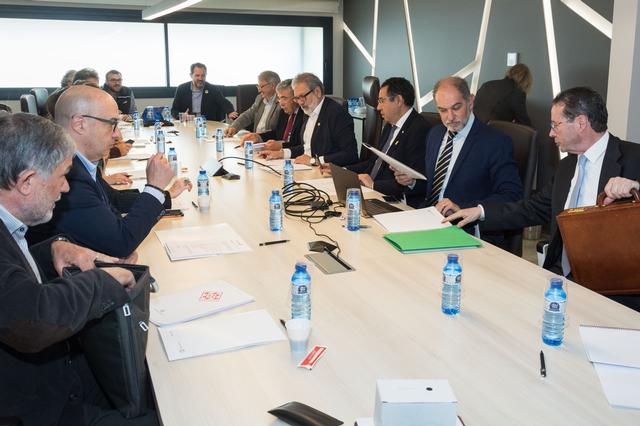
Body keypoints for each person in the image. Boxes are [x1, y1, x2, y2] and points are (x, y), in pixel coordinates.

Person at [0, 113, 158, 425]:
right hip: (43, 409)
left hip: (61, 378)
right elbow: (35, 319)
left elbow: (11, 281)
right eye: (62, 176)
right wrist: (103, 280)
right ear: (27, 182)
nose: (65, 188)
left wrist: (54, 249)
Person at [445, 87, 640, 308]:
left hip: (614, 291)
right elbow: (533, 208)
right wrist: (480, 211)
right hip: (561, 278)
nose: (551, 133)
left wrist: (637, 187)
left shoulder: (633, 159)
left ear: (581, 123)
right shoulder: (567, 166)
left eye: (555, 125)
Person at [27, 85, 192, 258]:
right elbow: (121, 243)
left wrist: (165, 195)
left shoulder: (80, 162)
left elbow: (113, 199)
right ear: (79, 124)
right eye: (112, 124)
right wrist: (155, 188)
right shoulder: (68, 176)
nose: (118, 135)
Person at [394, 76, 522, 244]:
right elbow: (436, 186)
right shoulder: (435, 134)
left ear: (470, 102)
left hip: (466, 230)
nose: (450, 117)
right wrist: (412, 182)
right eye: (443, 110)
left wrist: (463, 208)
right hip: (429, 220)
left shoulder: (495, 142)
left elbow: (512, 195)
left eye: (456, 108)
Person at [346, 77, 431, 207]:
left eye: (381, 101)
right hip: (372, 192)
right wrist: (344, 170)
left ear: (398, 100)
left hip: (395, 200)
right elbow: (374, 162)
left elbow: (414, 181)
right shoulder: (390, 125)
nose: (378, 107)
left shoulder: (419, 130)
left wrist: (374, 185)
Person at [290, 72, 358, 166]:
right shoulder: (308, 110)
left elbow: (350, 154)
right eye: (296, 98)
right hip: (307, 168)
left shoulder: (337, 114)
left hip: (329, 171)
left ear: (317, 92)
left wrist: (314, 161)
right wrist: (283, 153)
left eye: (302, 97)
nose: (300, 102)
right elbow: (308, 147)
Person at [241, 79, 304, 160]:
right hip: (280, 157)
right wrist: (258, 137)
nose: (281, 103)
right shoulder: (283, 112)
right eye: (279, 98)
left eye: (284, 98)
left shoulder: (304, 114)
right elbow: (277, 134)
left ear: (296, 97)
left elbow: (301, 144)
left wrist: (281, 146)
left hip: (295, 158)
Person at [171, 62, 237, 121]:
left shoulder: (213, 89)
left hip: (208, 123)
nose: (200, 78)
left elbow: (224, 103)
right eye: (197, 75)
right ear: (191, 75)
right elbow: (174, 110)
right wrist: (181, 116)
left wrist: (230, 112)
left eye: (203, 75)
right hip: (188, 123)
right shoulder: (182, 89)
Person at [224, 70, 281, 136]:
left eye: (261, 86)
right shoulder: (260, 98)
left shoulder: (281, 102)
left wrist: (258, 136)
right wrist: (234, 127)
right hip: (256, 138)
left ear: (273, 86)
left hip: (268, 139)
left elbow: (277, 131)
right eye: (258, 87)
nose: (259, 90)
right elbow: (248, 115)